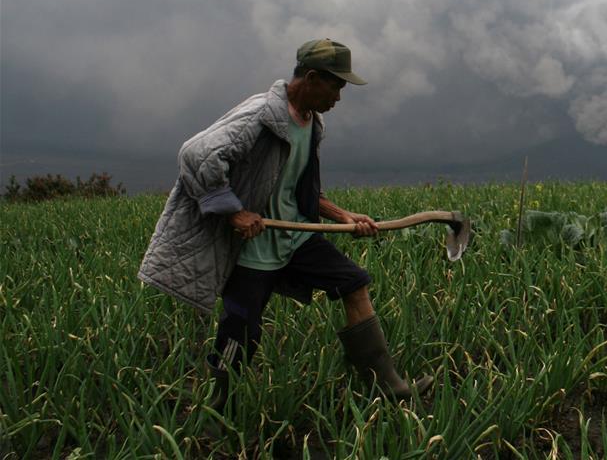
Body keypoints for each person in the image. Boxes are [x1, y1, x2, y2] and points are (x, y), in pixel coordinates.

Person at [138, 39, 433, 413]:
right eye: (336, 86)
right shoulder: (261, 114)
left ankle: (389, 386)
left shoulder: (313, 123)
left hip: (296, 238)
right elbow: (196, 153)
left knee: (355, 284)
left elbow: (297, 186)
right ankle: (217, 410)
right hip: (254, 248)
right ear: (311, 78)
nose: (339, 98)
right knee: (240, 331)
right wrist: (233, 212)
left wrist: (342, 215)